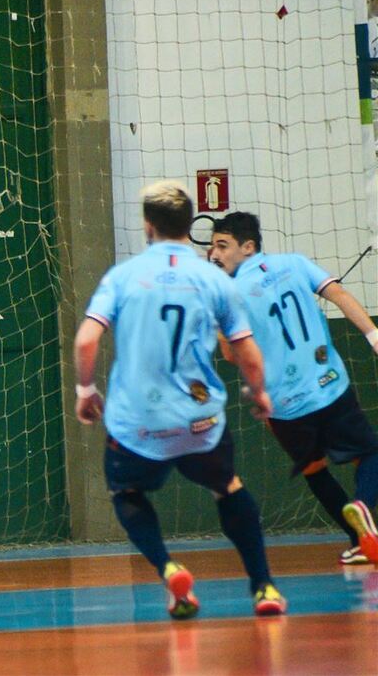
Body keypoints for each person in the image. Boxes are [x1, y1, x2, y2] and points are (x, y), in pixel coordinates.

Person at [74, 181, 287, 619]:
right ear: (190, 226)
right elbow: (246, 350)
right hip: (200, 420)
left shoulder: (123, 277)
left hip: (138, 422)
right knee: (227, 487)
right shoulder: (213, 278)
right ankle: (264, 587)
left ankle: (170, 569)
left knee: (126, 491)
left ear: (147, 226)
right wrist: (261, 392)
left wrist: (86, 390)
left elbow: (86, 341)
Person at [210, 211, 378, 564]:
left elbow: (230, 355)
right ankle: (361, 505)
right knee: (371, 454)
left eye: (223, 246)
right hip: (329, 385)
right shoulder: (296, 263)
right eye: (213, 247)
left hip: (284, 403)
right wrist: (373, 334)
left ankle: (359, 540)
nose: (215, 254)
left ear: (249, 246)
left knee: (314, 469)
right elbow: (338, 294)